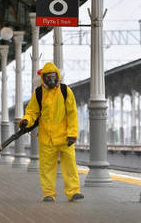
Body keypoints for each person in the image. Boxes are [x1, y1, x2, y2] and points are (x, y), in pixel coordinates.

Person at [19, 62, 84, 202]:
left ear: (58, 76)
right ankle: (48, 193)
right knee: (46, 167)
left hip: (65, 137)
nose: (51, 79)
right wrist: (25, 121)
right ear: (43, 78)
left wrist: (73, 134)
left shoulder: (66, 91)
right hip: (46, 138)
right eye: (48, 77)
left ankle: (73, 192)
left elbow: (72, 114)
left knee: (70, 166)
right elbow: (32, 112)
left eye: (53, 76)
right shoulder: (39, 93)